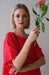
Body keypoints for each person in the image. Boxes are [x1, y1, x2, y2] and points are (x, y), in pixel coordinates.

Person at [2, 3, 46, 75]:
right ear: (13, 18)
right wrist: (29, 40)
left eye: (24, 16)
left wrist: (25, 68)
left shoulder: (31, 37)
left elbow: (42, 60)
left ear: (28, 18)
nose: (21, 19)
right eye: (17, 16)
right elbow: (17, 65)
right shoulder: (10, 37)